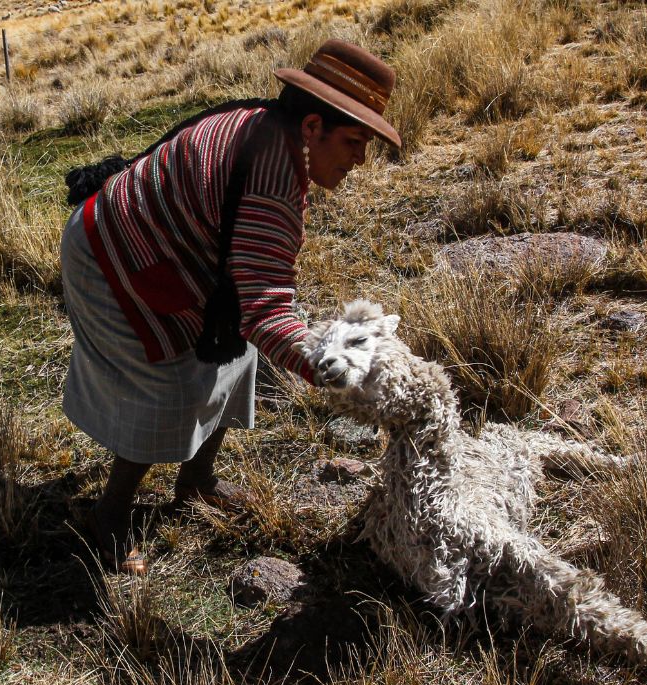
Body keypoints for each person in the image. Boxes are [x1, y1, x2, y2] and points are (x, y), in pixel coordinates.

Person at [60, 39, 401, 574]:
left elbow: (255, 297)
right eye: (355, 141)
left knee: (233, 354)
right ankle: (111, 514)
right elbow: (263, 310)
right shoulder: (273, 176)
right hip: (112, 257)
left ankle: (197, 480)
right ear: (312, 127)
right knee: (165, 385)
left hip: (169, 257)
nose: (361, 159)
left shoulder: (271, 128)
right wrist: (331, 366)